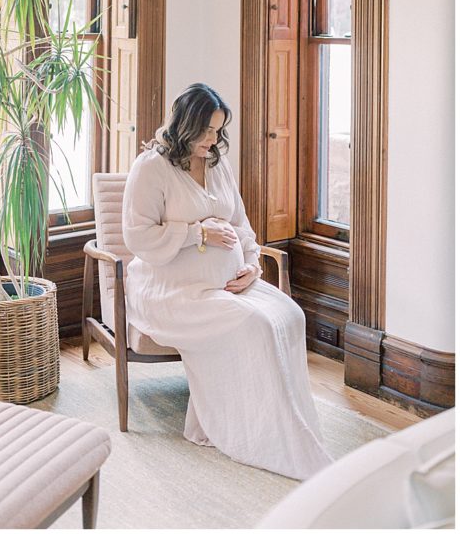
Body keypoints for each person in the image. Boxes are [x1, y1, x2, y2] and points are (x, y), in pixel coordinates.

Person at [122, 82, 333, 480]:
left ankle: (278, 423)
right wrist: (197, 233)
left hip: (228, 283)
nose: (212, 140)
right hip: (172, 290)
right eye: (205, 131)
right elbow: (138, 237)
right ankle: (251, 432)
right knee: (252, 325)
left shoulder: (218, 163)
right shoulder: (151, 168)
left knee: (290, 315)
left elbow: (240, 225)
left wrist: (252, 265)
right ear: (184, 126)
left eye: (218, 130)